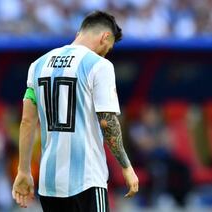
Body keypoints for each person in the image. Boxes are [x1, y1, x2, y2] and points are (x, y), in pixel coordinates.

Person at [12, 11, 139, 211]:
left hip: (50, 183)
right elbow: (107, 122)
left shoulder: (37, 65)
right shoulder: (99, 66)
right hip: (87, 179)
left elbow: (27, 121)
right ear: (105, 36)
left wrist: (24, 170)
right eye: (109, 47)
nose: (106, 52)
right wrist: (126, 166)